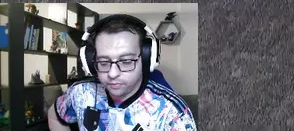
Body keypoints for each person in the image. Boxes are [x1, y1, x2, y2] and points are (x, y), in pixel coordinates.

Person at [47, 14, 197, 131]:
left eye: (126, 61)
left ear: (146, 59)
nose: (112, 74)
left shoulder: (173, 114)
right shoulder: (80, 92)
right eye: (103, 62)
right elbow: (54, 115)